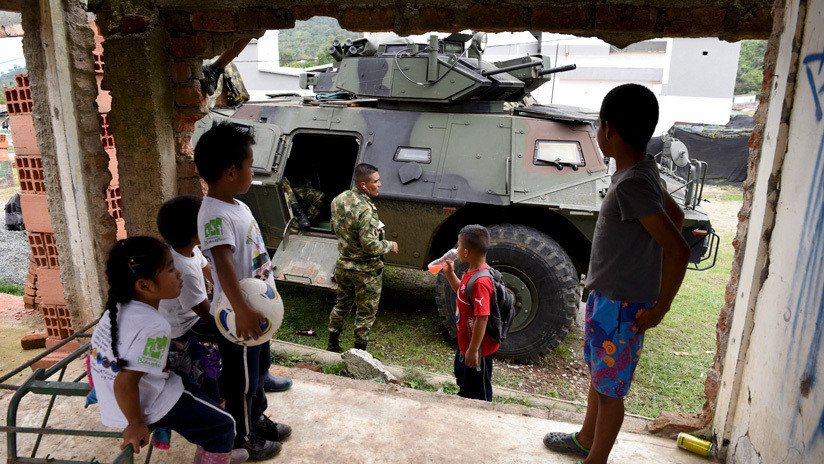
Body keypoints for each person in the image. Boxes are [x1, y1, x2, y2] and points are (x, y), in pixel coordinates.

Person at [542, 84, 690, 464]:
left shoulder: (633, 183)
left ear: (609, 130)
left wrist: (660, 308)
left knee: (610, 393)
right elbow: (675, 216)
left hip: (622, 308)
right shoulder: (640, 172)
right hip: (609, 299)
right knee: (601, 377)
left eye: (597, 125)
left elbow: (678, 249)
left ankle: (596, 459)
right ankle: (585, 440)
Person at [88, 236, 246, 464]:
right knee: (223, 425)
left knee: (203, 378)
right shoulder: (155, 326)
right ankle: (215, 453)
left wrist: (172, 347)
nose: (179, 274)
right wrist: (135, 423)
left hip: (117, 399)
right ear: (144, 285)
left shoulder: (117, 308)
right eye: (171, 269)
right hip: (145, 403)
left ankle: (213, 448)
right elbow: (125, 382)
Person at [195, 121, 291, 461]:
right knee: (242, 381)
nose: (254, 171)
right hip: (239, 320)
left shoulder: (238, 205)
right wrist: (243, 311)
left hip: (254, 312)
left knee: (259, 370)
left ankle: (257, 417)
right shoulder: (214, 216)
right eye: (250, 165)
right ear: (231, 171)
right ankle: (243, 436)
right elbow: (223, 267)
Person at [157, 195, 292, 395]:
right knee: (247, 327)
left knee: (256, 313)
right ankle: (247, 380)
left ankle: (262, 373)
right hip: (188, 325)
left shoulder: (191, 250)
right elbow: (204, 311)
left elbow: (211, 273)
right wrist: (235, 317)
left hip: (197, 310)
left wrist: (235, 298)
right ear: (196, 231)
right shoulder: (182, 269)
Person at [326, 163, 398, 353]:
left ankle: (332, 344)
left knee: (342, 304)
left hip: (343, 265)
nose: (380, 184)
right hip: (365, 271)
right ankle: (359, 351)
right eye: (376, 181)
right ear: (363, 185)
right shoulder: (366, 209)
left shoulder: (338, 200)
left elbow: (335, 229)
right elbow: (370, 245)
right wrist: (390, 245)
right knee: (366, 312)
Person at [442, 225, 499, 401]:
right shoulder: (471, 272)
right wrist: (450, 274)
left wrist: (473, 350)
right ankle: (464, 398)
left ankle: (480, 411)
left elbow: (482, 318)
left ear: (466, 253)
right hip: (466, 343)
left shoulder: (481, 282)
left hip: (478, 349)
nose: (456, 249)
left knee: (479, 390)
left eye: (458, 245)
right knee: (463, 378)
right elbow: (462, 291)